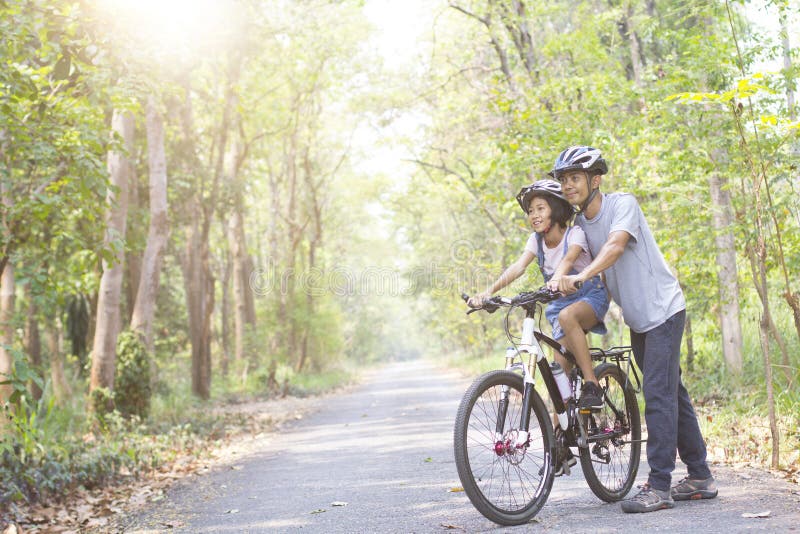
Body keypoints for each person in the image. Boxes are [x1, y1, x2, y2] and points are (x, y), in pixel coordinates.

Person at [552, 145, 717, 513]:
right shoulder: (579, 226)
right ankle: (701, 476)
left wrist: (582, 274)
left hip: (664, 310)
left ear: (595, 180)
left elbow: (615, 245)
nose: (568, 186)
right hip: (639, 319)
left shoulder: (621, 204)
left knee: (658, 395)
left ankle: (659, 486)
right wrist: (564, 279)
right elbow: (570, 258)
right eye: (563, 180)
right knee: (672, 392)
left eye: (575, 178)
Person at [469, 179, 610, 474]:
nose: (534, 215)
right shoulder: (536, 242)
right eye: (531, 210)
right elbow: (517, 267)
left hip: (588, 296)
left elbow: (569, 260)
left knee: (568, 318)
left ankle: (593, 384)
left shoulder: (575, 234)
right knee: (557, 373)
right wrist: (487, 293)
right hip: (559, 304)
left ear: (556, 209)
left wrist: (558, 277)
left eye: (541, 208)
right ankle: (561, 442)